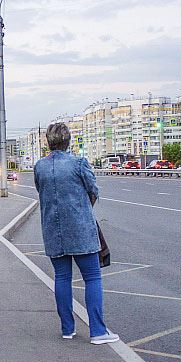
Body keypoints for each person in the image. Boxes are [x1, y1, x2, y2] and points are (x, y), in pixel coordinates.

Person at [33, 123, 119, 344]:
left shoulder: (40, 167)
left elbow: (41, 191)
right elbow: (93, 191)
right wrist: (82, 210)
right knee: (92, 277)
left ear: (48, 142)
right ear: (68, 141)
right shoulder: (79, 163)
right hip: (80, 229)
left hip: (53, 229)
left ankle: (67, 329)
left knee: (62, 277)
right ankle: (98, 331)